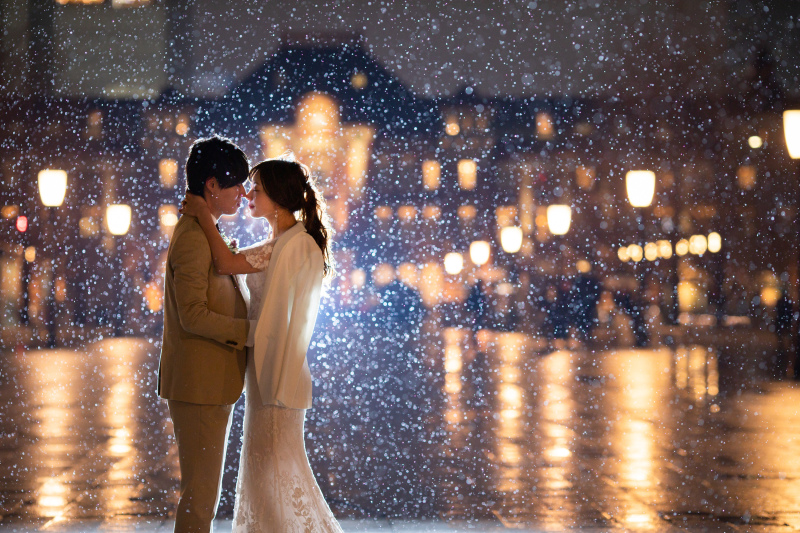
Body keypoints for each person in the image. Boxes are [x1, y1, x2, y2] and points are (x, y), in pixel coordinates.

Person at [181, 156, 341, 532]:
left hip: (276, 371)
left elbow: (225, 264)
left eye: (258, 189)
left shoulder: (291, 245)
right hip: (266, 369)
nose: (249, 194)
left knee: (274, 473)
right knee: (270, 471)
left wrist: (204, 216)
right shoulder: (282, 242)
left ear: (279, 197)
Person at [157, 136, 252, 533]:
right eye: (236, 185)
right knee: (199, 501)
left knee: (203, 497)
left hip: (209, 384)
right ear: (212, 185)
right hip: (199, 386)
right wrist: (250, 332)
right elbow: (193, 315)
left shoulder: (203, 229)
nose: (243, 195)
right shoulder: (194, 238)